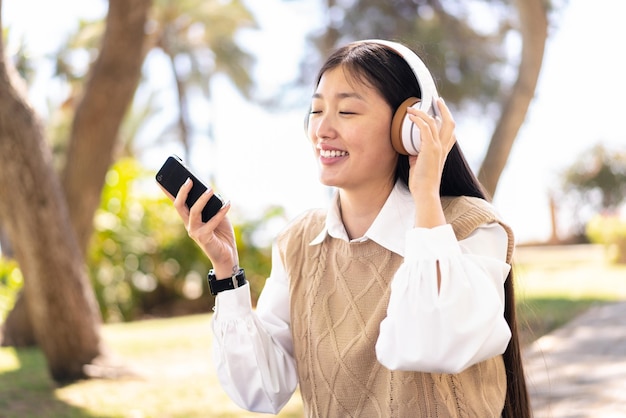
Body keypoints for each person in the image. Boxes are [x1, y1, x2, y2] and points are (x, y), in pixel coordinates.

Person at [167, 39, 531, 417]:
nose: (322, 129)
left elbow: (433, 344)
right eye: (316, 110)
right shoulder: (298, 242)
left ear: (408, 126)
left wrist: (426, 196)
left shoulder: (471, 226)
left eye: (347, 111)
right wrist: (227, 274)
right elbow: (261, 390)